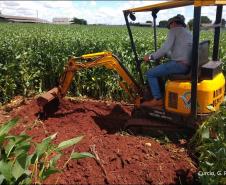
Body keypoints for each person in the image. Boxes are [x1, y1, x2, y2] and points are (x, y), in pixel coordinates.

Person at [142, 14, 192, 107]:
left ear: (173, 23)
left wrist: (150, 57)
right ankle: (164, 94)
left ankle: (158, 99)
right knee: (163, 71)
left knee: (150, 73)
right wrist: (166, 54)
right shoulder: (188, 32)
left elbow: (165, 48)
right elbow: (180, 52)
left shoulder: (174, 30)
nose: (170, 28)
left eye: (169, 26)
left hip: (179, 65)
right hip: (187, 65)